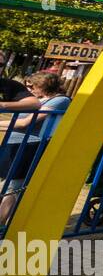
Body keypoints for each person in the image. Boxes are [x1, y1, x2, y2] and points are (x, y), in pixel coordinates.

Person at [0, 73, 70, 225]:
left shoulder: (60, 100)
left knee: (13, 186)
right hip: (13, 143)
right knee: (7, 184)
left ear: (43, 86)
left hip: (29, 146)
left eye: (31, 86)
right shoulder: (36, 100)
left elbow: (25, 123)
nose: (28, 89)